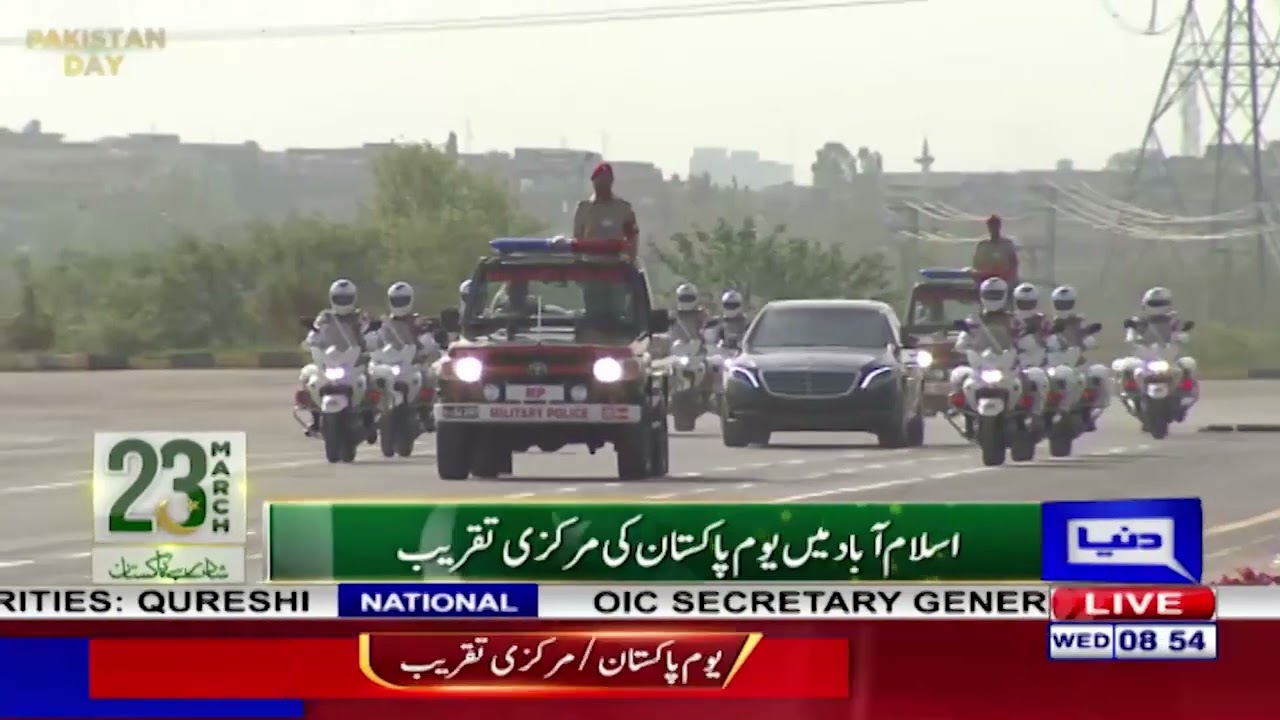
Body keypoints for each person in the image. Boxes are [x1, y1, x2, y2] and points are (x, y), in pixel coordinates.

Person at [300, 279, 372, 437]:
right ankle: (315, 418)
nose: (343, 302)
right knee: (307, 374)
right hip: (330, 359)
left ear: (353, 298)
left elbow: (370, 334)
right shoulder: (325, 317)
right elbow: (315, 333)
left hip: (355, 360)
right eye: (339, 298)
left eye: (346, 298)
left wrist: (371, 343)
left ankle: (369, 418)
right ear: (332, 298)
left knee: (371, 378)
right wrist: (310, 342)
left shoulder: (360, 317)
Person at [1049, 285, 1109, 431]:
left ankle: (1088, 412)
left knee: (1098, 375)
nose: (1064, 306)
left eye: (1067, 303)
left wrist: (1087, 340)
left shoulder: (1079, 322)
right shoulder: (1048, 322)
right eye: (1060, 303)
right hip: (1055, 363)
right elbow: (1040, 340)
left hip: (1077, 362)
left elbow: (1088, 338)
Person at [572, 162, 639, 255]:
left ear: (611, 181)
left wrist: (631, 258)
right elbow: (577, 240)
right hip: (590, 262)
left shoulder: (623, 209)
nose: (603, 184)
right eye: (600, 180)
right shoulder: (584, 208)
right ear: (594, 181)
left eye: (606, 180)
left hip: (617, 263)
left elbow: (632, 237)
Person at [971, 214, 1019, 286]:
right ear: (988, 227)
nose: (993, 228)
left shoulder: (1007, 244)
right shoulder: (982, 245)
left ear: (999, 227)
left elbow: (1014, 264)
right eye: (991, 226)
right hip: (985, 281)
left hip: (1004, 280)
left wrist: (1011, 281)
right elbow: (976, 265)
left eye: (995, 226)